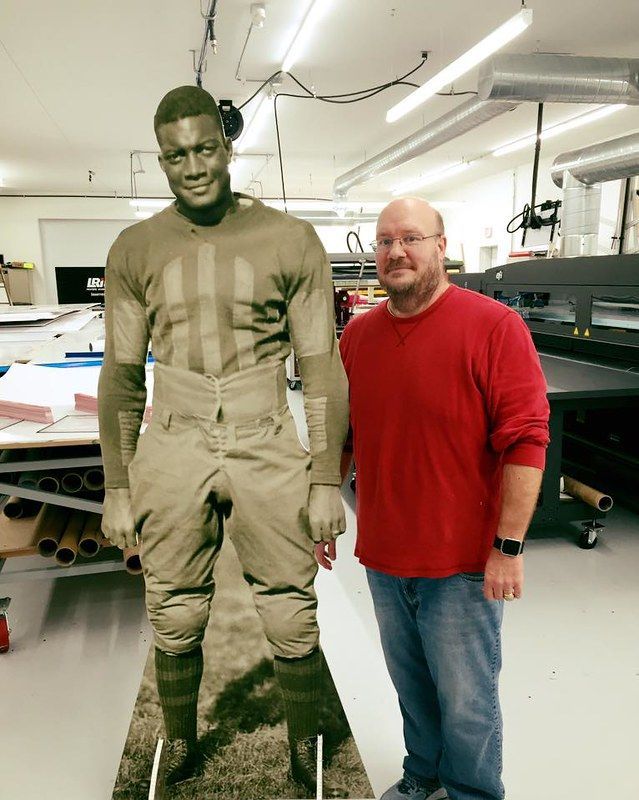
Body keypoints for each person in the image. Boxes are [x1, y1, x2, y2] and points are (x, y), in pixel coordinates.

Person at [98, 85, 349, 796]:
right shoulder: (134, 247)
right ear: (161, 159)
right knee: (173, 603)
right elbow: (120, 375)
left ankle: (305, 745)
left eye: (204, 148)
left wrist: (325, 476)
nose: (193, 166)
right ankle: (179, 740)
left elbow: (320, 364)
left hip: (264, 433)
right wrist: (117, 487)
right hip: (172, 439)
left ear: (228, 147)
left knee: (289, 605)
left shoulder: (290, 239)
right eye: (176, 155)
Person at [316, 197, 550, 800]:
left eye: (411, 238)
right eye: (385, 241)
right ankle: (423, 772)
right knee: (411, 683)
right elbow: (342, 435)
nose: (396, 251)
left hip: (463, 562)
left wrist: (508, 546)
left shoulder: (494, 327)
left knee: (467, 696)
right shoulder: (360, 336)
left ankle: (472, 791)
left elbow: (526, 443)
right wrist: (320, 513)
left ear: (441, 247)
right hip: (387, 553)